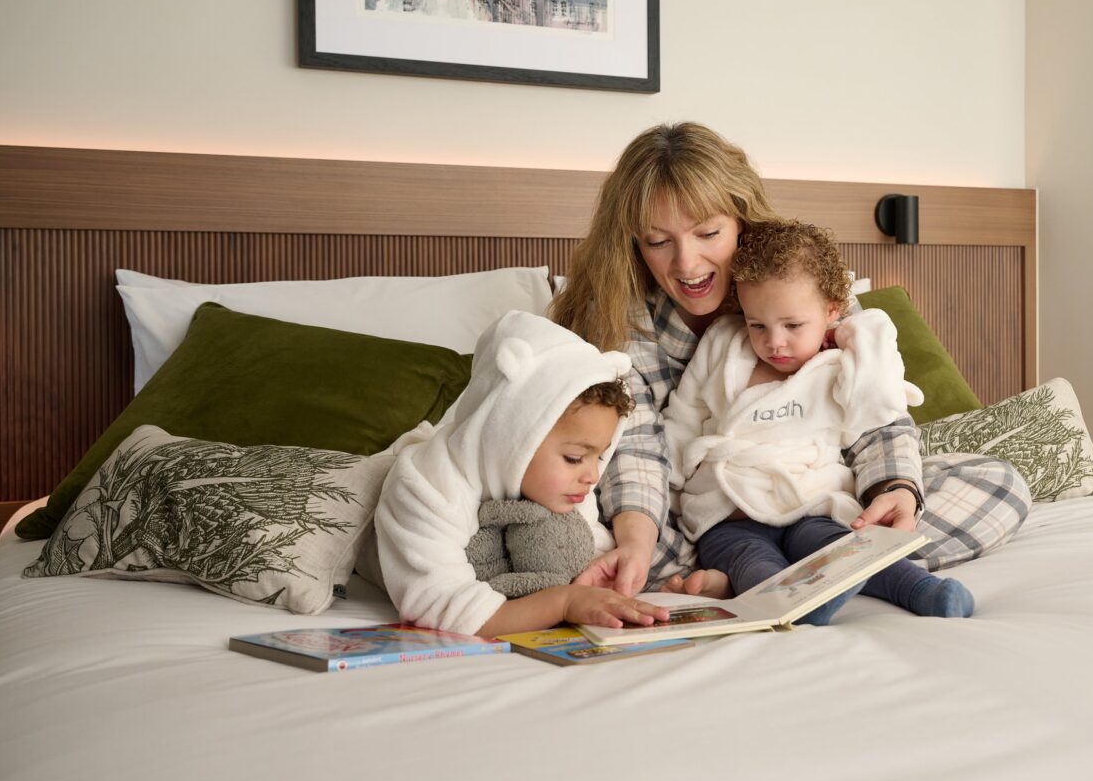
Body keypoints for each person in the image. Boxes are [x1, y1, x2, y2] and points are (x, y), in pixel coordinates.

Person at [552, 122, 1030, 599]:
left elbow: (876, 415)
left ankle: (779, 572)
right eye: (659, 242)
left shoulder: (810, 289)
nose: (687, 263)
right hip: (706, 514)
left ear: (741, 219)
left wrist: (896, 491)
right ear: (634, 243)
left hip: (821, 498)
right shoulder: (623, 317)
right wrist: (638, 541)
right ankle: (824, 568)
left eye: (708, 233)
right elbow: (638, 447)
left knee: (1000, 484)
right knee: (575, 537)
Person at [664, 219, 974, 621]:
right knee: (752, 564)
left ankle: (926, 592)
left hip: (809, 503)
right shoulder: (724, 343)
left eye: (793, 325)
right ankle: (795, 605)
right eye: (757, 324)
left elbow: (878, 405)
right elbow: (683, 418)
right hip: (729, 513)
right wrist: (669, 493)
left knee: (847, 551)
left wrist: (860, 333)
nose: (774, 341)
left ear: (831, 309)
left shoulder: (840, 366)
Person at [375, 310, 669, 637]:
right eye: (574, 458)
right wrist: (561, 603)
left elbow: (581, 549)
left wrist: (616, 584)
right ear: (512, 437)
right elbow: (441, 605)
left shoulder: (569, 487)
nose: (592, 476)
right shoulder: (427, 485)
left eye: (599, 457)